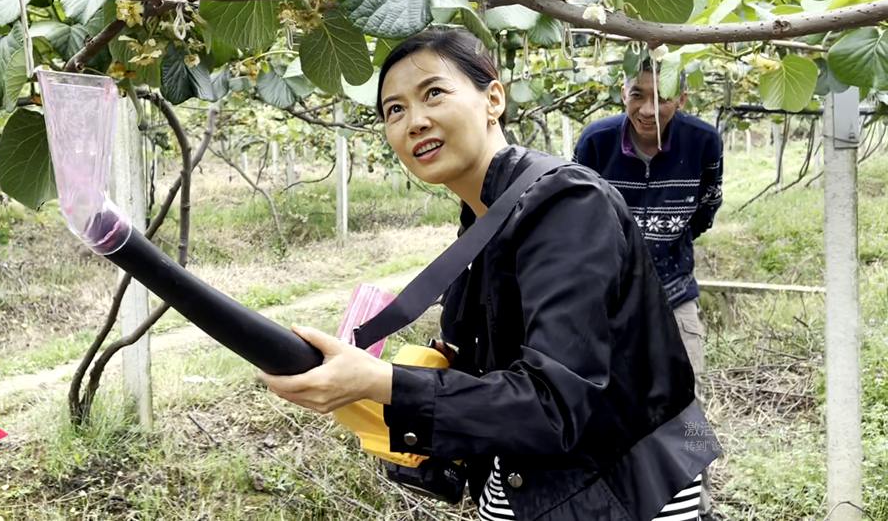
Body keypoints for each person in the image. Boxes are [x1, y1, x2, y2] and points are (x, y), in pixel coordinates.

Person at [259, 28, 719, 521]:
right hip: (532, 486)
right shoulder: (486, 215)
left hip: (619, 491)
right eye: (394, 110)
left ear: (493, 99)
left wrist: (383, 382)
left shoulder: (567, 203)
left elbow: (553, 406)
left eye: (433, 93)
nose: (415, 121)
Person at [574, 62, 723, 516]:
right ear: (623, 94)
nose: (647, 109)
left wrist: (661, 249)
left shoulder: (703, 142)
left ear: (682, 99)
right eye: (637, 94)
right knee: (606, 399)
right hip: (607, 300)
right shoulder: (596, 142)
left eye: (662, 97)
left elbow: (705, 209)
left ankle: (696, 501)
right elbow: (575, 214)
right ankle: (620, 498)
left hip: (673, 294)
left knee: (687, 403)